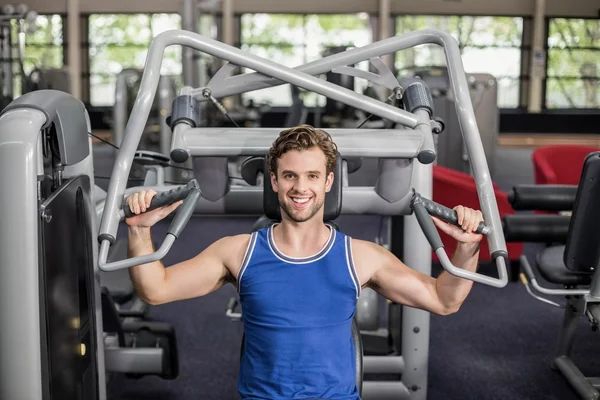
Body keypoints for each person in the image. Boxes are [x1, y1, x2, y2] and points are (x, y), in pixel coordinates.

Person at [125, 124, 484, 400]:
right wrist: (140, 233)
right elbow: (156, 290)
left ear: (328, 181)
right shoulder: (237, 251)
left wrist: (467, 249)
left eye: (312, 176)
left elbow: (444, 300)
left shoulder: (360, 256)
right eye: (290, 176)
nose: (301, 187)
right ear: (274, 181)